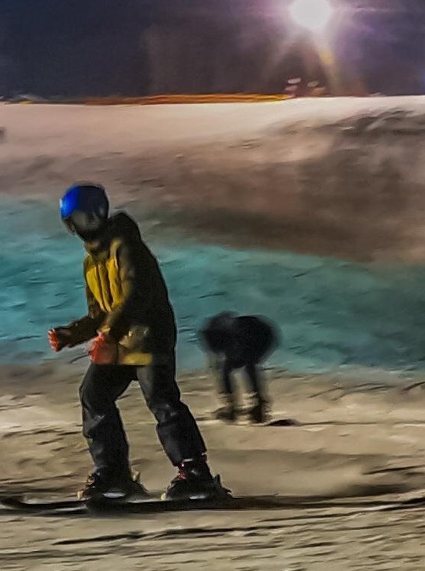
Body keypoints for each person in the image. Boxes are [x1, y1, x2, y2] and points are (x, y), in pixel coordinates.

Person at [48, 184, 225, 505]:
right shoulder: (92, 263)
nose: (83, 228)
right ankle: (113, 473)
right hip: (118, 343)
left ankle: (195, 473)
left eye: (87, 219)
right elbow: (101, 311)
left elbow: (135, 296)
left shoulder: (126, 247)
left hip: (148, 339)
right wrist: (72, 334)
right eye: (76, 222)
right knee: (93, 395)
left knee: (161, 399)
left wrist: (107, 336)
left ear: (100, 215)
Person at [200, 312, 278, 423]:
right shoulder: (218, 332)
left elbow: (222, 358)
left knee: (241, 366)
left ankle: (242, 406)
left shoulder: (221, 334)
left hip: (260, 334)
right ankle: (251, 404)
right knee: (242, 365)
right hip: (263, 332)